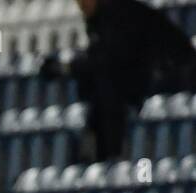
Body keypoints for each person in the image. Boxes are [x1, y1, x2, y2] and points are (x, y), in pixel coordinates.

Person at [40, 0, 196, 161]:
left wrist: (69, 68)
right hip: (148, 75)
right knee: (99, 89)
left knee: (108, 88)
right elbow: (100, 57)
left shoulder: (119, 14)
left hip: (173, 75)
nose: (81, 6)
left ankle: (112, 155)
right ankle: (98, 159)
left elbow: (113, 59)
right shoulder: (99, 19)